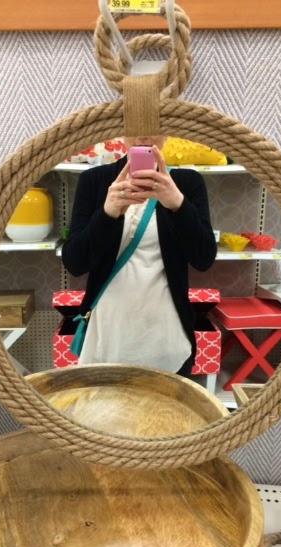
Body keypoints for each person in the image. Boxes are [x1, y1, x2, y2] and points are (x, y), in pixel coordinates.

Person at [62, 136, 217, 379]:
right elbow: (75, 263)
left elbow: (204, 258)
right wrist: (108, 213)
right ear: (122, 131)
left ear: (166, 133)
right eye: (135, 126)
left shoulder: (187, 182)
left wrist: (177, 204)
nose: (144, 136)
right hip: (106, 335)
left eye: (153, 126)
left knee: (165, 403)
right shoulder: (95, 180)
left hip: (167, 336)